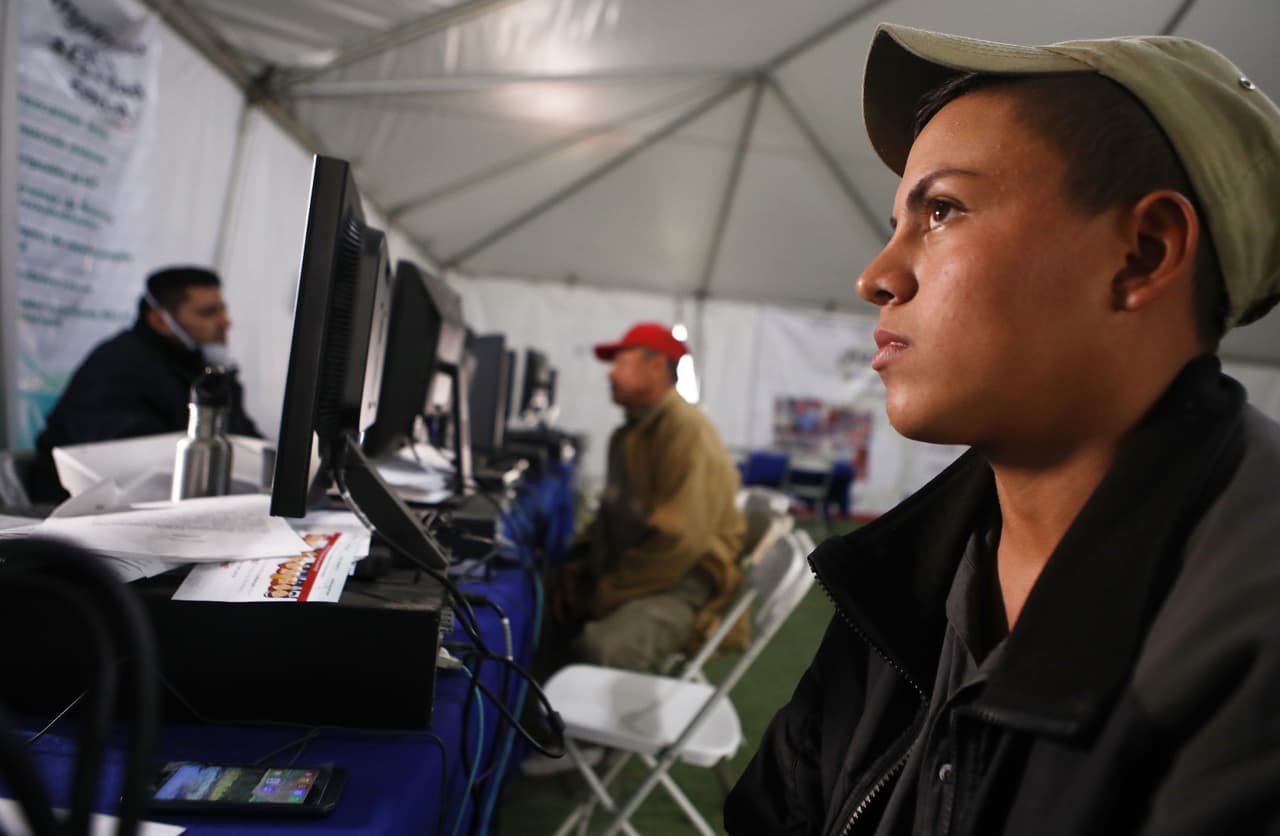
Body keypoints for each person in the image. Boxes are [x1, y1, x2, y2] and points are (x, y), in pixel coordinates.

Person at [725, 24, 1280, 836]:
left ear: (1143, 252)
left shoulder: (1248, 637)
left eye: (941, 210)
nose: (876, 276)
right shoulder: (909, 575)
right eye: (895, 222)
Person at [549, 322, 746, 673]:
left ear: (656, 366)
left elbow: (679, 542)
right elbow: (609, 517)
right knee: (546, 600)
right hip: (642, 572)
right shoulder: (631, 433)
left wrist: (606, 593)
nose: (611, 374)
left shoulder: (686, 430)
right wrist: (578, 566)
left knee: (604, 648)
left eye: (621, 362)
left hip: (681, 582)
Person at [30, 266, 261, 503]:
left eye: (222, 309)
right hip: (79, 507)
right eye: (207, 313)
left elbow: (245, 437)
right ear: (160, 320)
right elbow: (125, 459)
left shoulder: (204, 370)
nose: (224, 322)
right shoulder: (117, 365)